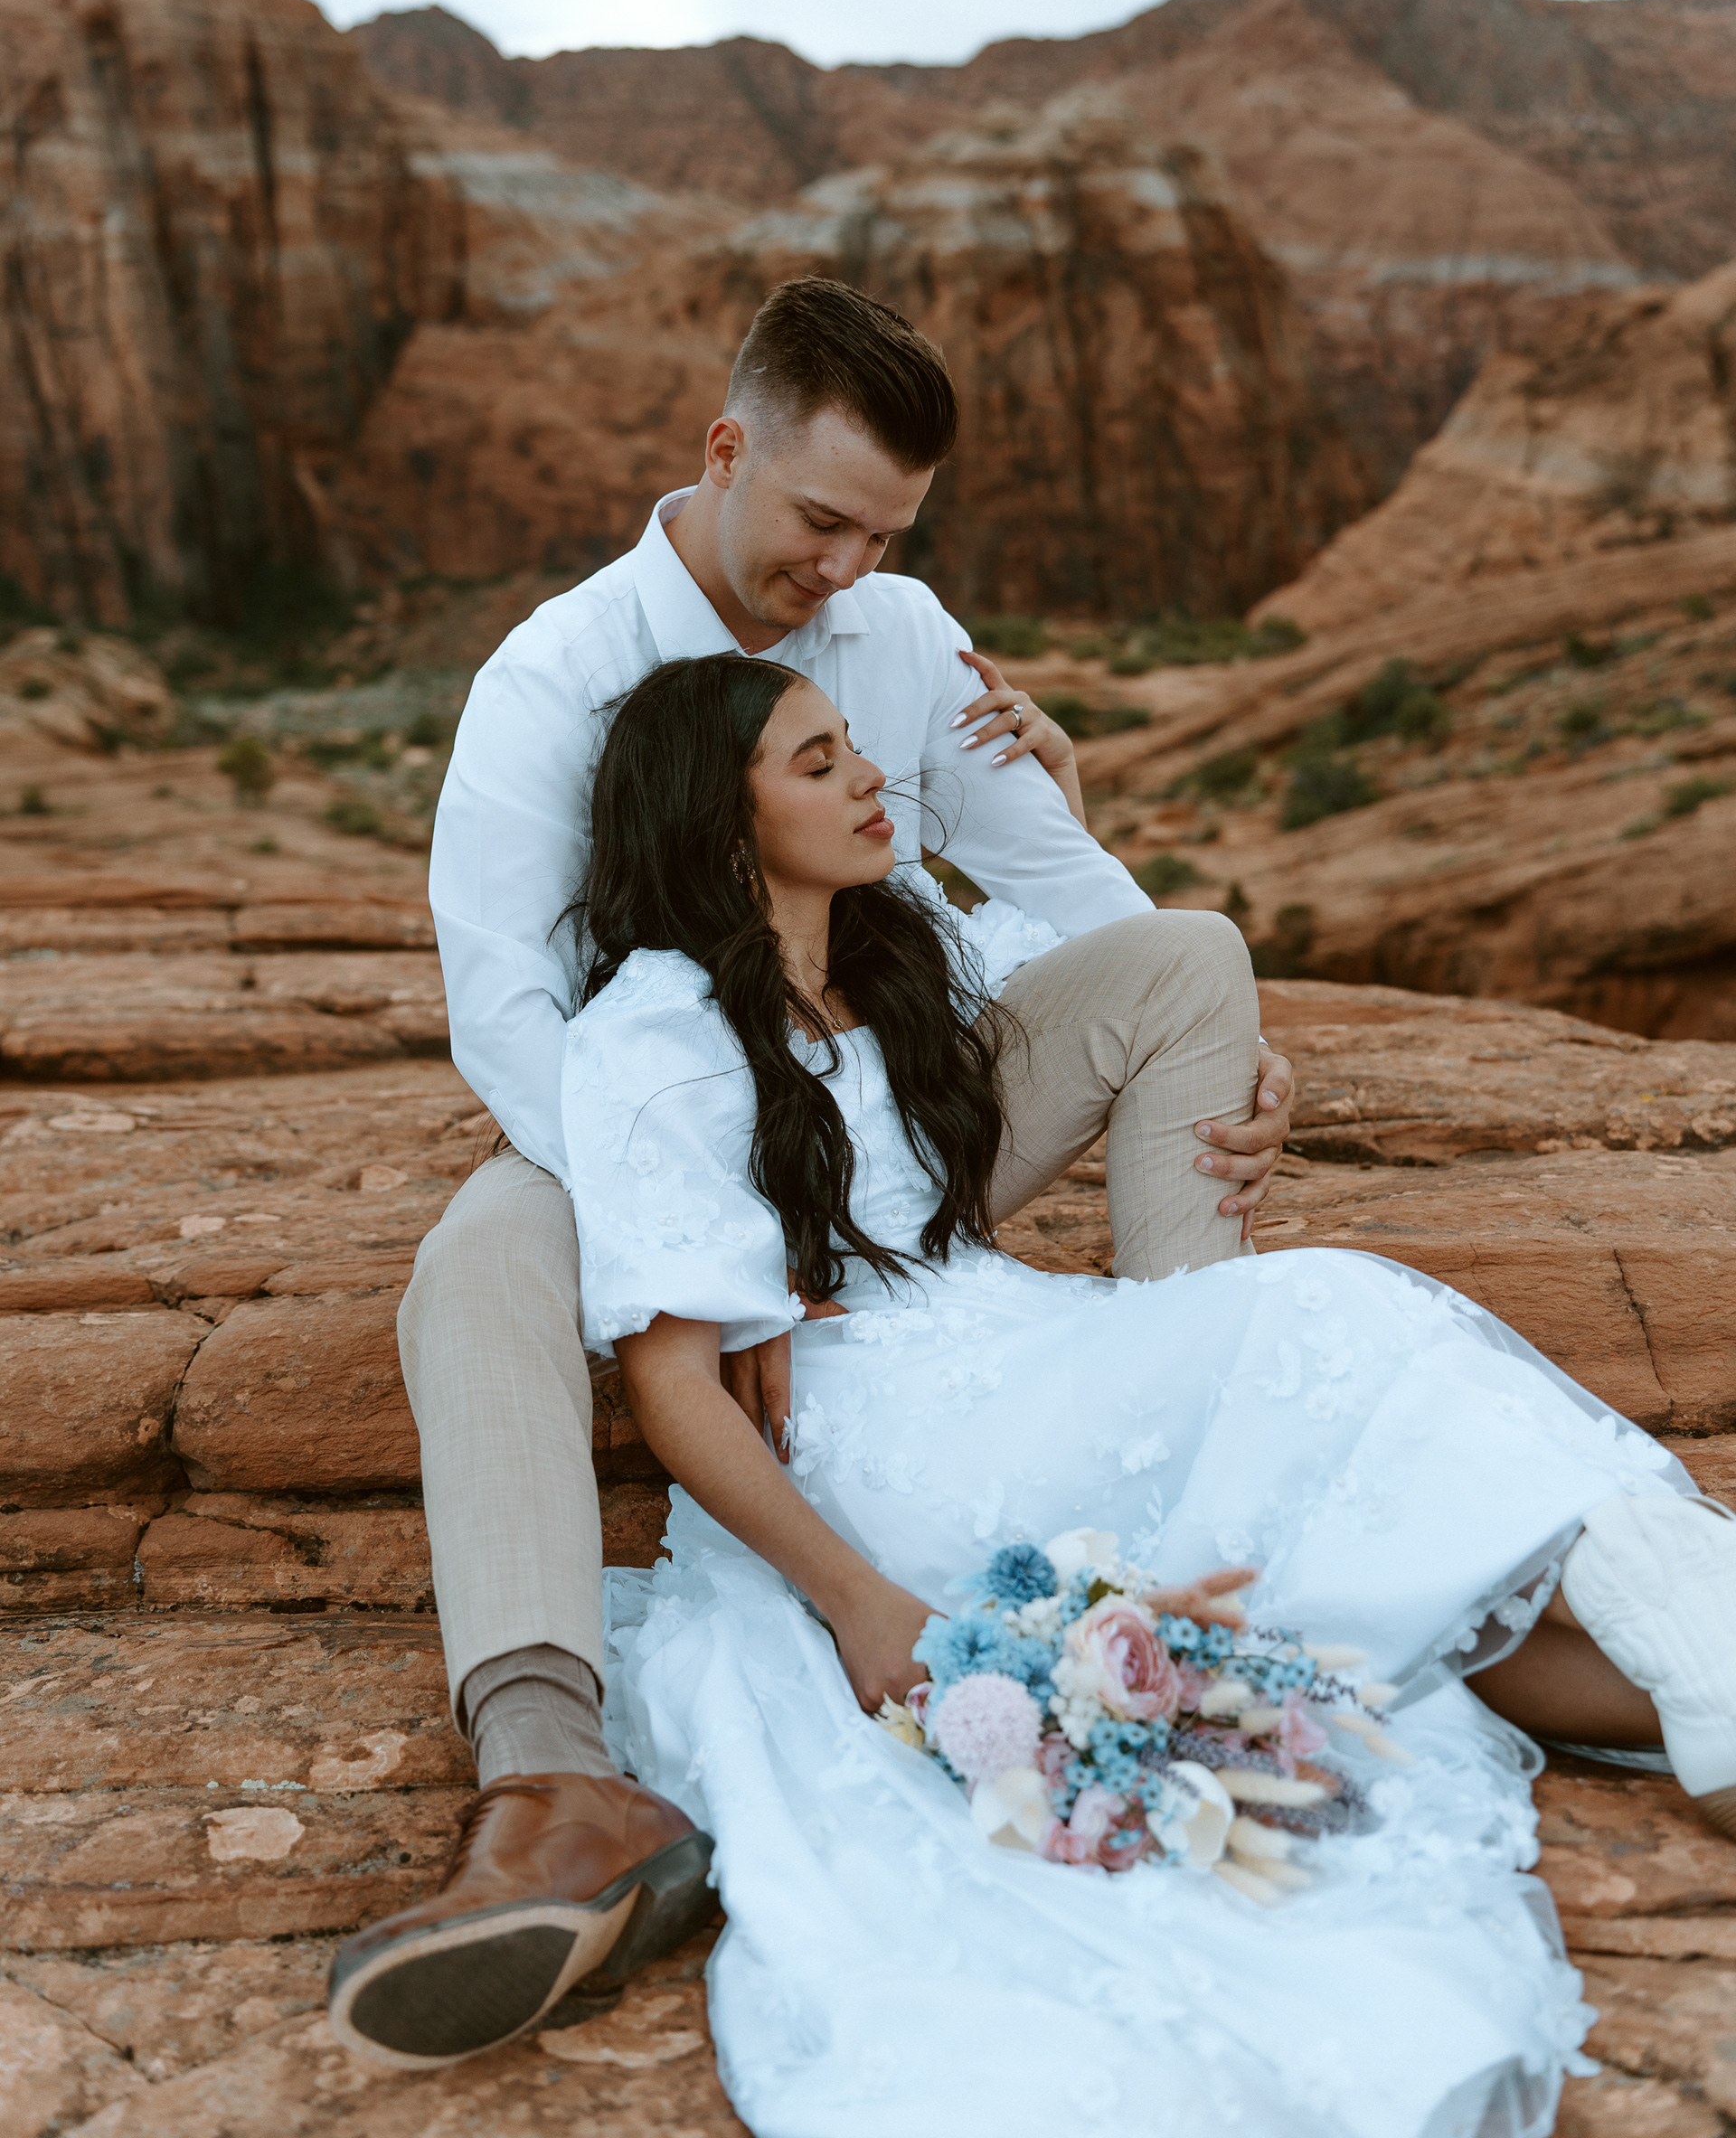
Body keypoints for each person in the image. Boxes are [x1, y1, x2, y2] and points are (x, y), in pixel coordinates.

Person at [402, 653, 1733, 2131]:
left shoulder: (899, 947)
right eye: (821, 762)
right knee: (1341, 1321)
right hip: (889, 1434)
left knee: (1337, 1560)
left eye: (857, 750)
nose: (869, 781)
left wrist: (1068, 796)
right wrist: (853, 1599)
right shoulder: (657, 1034)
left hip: (1027, 1342)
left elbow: (1111, 957)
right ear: (725, 825)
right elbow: (676, 1389)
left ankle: (1713, 1699)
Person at [326, 278, 1298, 2067]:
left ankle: (1193, 1460)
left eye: (888, 536)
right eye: (823, 522)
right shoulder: (550, 677)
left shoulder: (908, 636)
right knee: (476, 1258)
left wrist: (1216, 1047)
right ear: (725, 452)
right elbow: (510, 1015)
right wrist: (722, 1243)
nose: (850, 571)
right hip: (662, 1133)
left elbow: (1067, 887)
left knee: (1191, 962)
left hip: (904, 1105)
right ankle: (553, 1783)